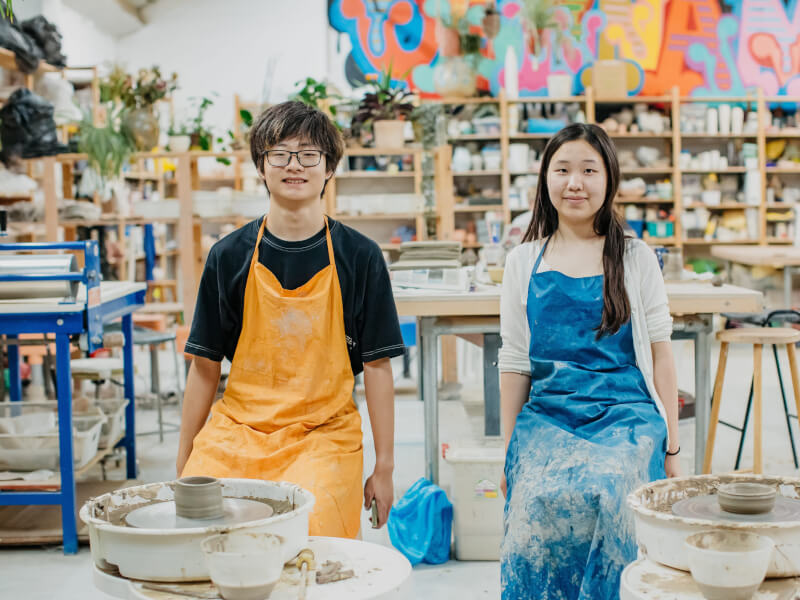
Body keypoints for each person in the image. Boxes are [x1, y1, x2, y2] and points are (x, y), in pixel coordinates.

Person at [177, 101, 404, 538]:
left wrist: (385, 468)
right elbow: (204, 366)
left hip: (324, 433)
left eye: (308, 154)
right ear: (261, 166)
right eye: (279, 153)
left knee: (312, 534)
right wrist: (186, 457)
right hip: (239, 430)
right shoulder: (228, 256)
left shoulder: (360, 256)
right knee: (198, 530)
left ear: (329, 168)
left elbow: (377, 367)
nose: (293, 165)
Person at [498, 123, 680, 599]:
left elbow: (661, 352)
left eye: (588, 170)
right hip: (549, 413)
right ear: (545, 180)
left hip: (627, 413)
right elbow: (515, 362)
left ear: (609, 180)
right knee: (532, 502)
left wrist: (674, 449)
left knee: (611, 486)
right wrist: (508, 455)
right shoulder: (523, 261)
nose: (574, 182)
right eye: (562, 170)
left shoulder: (636, 257)